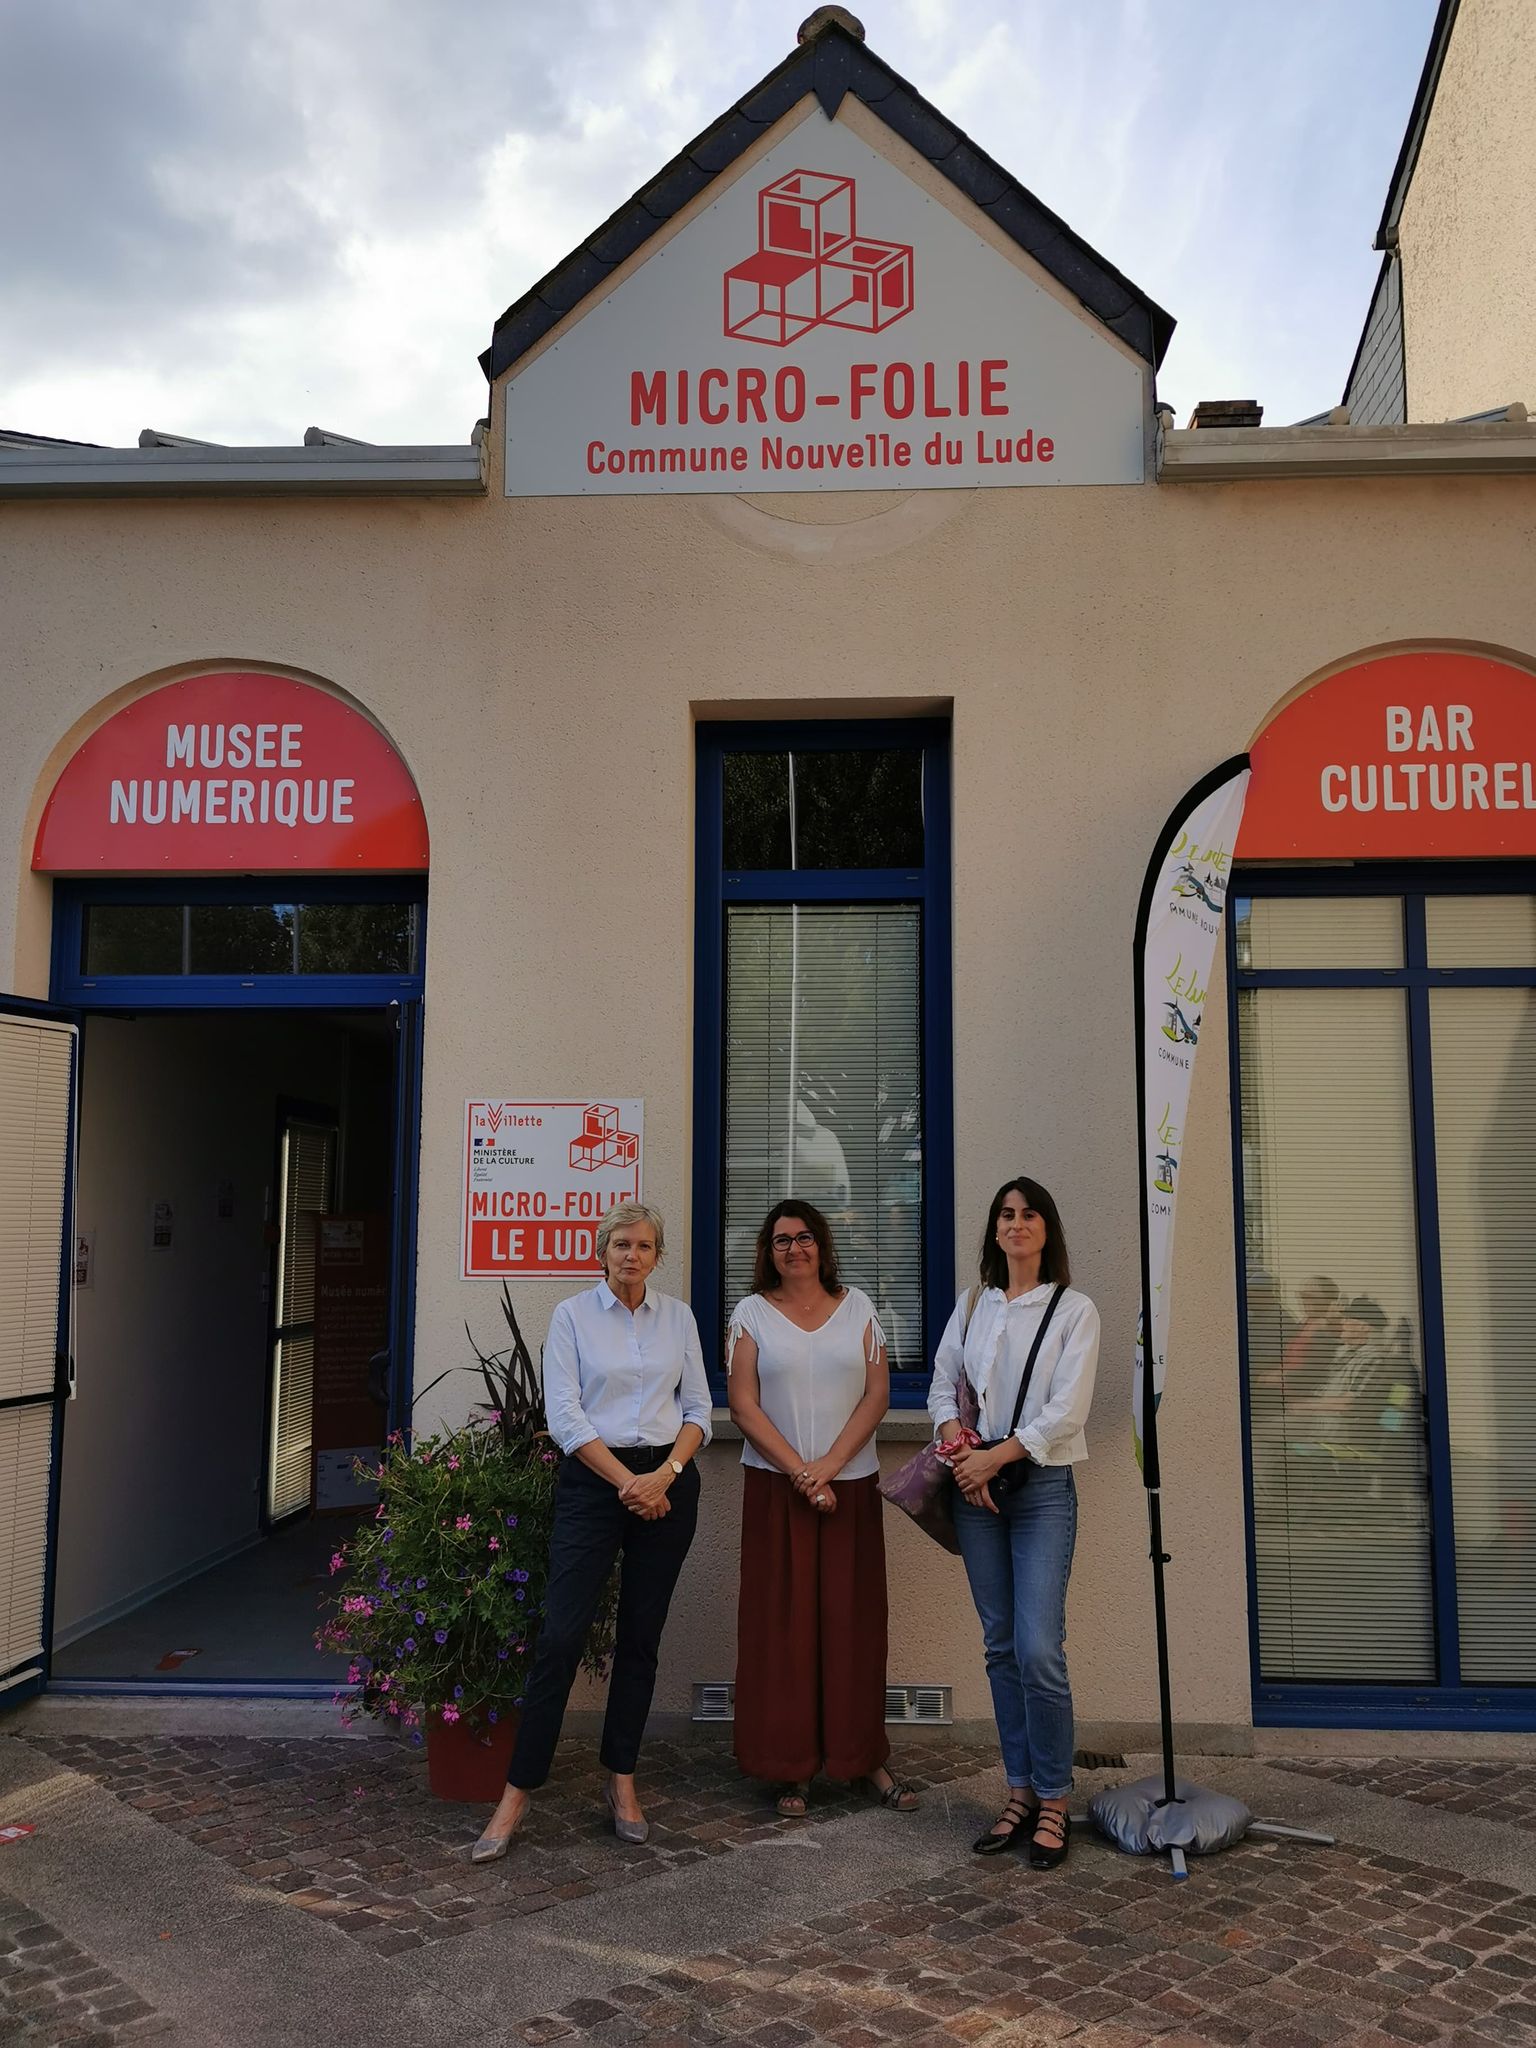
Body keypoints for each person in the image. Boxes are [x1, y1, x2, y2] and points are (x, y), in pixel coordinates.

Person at [471, 1201, 710, 1861]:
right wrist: (627, 1485)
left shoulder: (679, 1318)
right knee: (560, 1635)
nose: (632, 1255)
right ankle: (517, 1792)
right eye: (621, 1245)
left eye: (644, 1245)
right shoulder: (573, 1315)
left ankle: (621, 1779)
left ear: (658, 1255)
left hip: (667, 1481)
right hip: (595, 1481)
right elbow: (567, 1415)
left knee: (640, 1637)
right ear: (602, 1253)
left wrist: (665, 1474)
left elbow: (697, 1409)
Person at [727, 1199, 919, 1818]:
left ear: (823, 1244)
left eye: (804, 1237)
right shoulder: (751, 1314)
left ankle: (863, 1760)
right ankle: (792, 1766)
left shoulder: (860, 1307)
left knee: (853, 1627)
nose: (794, 1248)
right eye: (781, 1240)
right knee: (782, 1631)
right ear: (768, 1251)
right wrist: (800, 1474)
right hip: (776, 1490)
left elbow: (878, 1393)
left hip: (850, 1490)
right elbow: (743, 1404)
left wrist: (827, 1469)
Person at [930, 1177, 1099, 1870]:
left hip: (1038, 1488)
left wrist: (993, 1455)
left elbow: (1068, 1408)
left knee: (1038, 1649)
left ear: (1046, 1228)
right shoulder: (973, 1305)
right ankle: (1020, 1790)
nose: (1017, 1223)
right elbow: (944, 1383)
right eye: (1006, 1214)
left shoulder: (1074, 1309)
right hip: (976, 1491)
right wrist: (957, 1447)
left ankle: (1056, 1798)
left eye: (1029, 1214)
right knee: (1000, 1647)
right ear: (994, 1230)